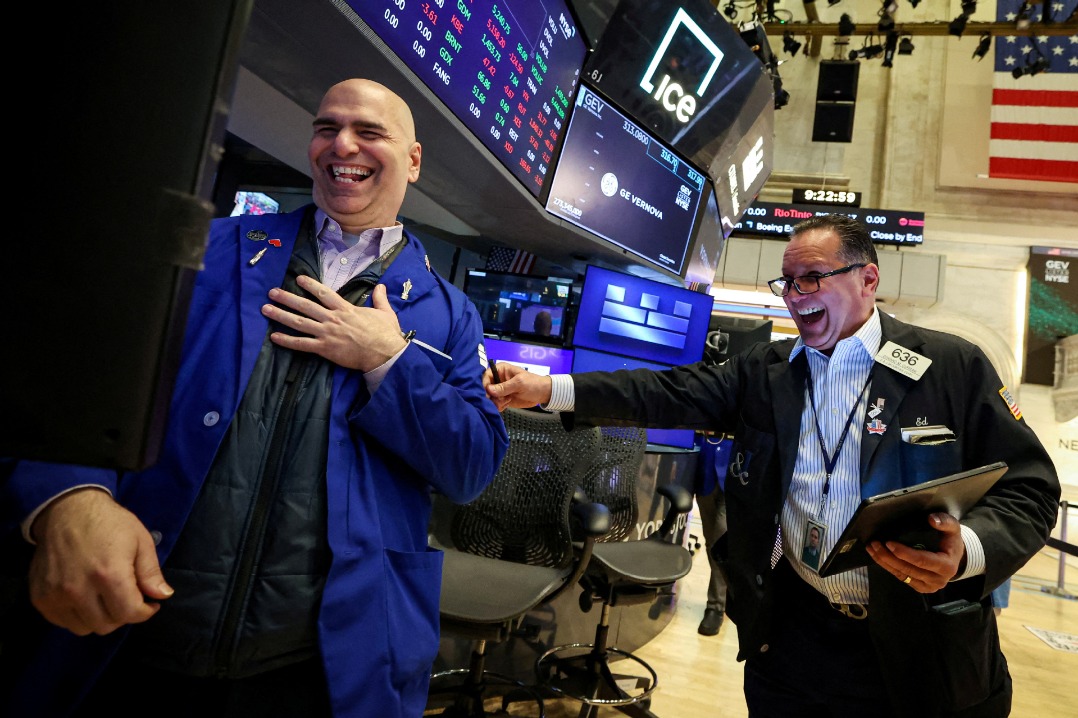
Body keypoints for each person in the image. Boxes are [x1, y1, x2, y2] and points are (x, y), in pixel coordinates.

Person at [1, 78, 508, 718]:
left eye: (369, 132)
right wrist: (68, 498)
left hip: (318, 663)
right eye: (327, 128)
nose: (342, 144)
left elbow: (472, 466)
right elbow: (72, 380)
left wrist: (388, 359)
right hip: (136, 627)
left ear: (412, 160)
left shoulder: (452, 314)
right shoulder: (209, 250)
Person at [486, 214, 1060, 717]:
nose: (794, 293)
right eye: (787, 280)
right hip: (791, 640)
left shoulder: (950, 366)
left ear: (868, 279)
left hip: (916, 645)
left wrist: (967, 552)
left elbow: (1030, 489)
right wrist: (550, 388)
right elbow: (663, 393)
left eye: (813, 277)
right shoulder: (767, 371)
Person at [694, 434, 731, 636]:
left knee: (720, 541)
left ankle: (716, 606)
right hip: (704, 464)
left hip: (735, 468)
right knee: (710, 543)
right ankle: (725, 591)